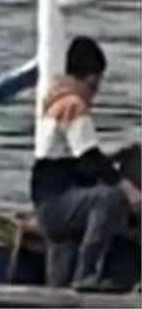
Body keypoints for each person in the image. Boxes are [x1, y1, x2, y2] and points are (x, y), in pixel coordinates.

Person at [30, 36, 142, 291]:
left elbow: (72, 156)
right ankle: (88, 274)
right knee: (110, 199)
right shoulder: (73, 105)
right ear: (93, 79)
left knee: (59, 284)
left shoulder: (53, 100)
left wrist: (115, 156)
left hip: (49, 201)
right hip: (59, 203)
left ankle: (61, 287)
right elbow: (90, 160)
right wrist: (128, 188)